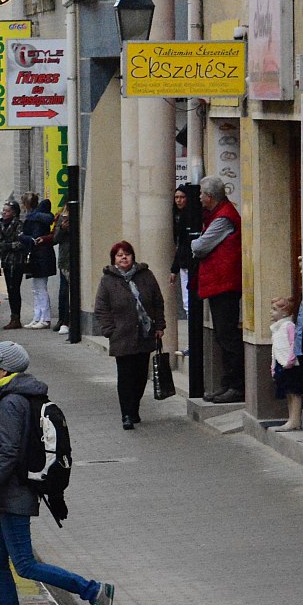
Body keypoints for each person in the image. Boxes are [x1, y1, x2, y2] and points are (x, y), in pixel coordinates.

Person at [0, 341, 114, 605]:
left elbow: (8, 453)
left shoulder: (10, 402)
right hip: (8, 494)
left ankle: (94, 591)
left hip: (14, 494)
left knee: (24, 565)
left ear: (5, 369)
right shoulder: (16, 395)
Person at [92, 240, 166, 430]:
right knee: (125, 376)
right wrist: (109, 330)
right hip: (122, 336)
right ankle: (126, 413)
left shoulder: (146, 275)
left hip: (144, 333)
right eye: (119, 255)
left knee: (141, 375)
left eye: (127, 254)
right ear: (114, 260)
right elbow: (101, 308)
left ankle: (134, 408)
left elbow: (157, 301)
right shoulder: (108, 280)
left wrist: (159, 325)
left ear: (133, 256)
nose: (123, 257)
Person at [190, 175, 244, 403]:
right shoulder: (217, 215)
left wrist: (193, 242)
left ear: (210, 197)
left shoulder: (223, 218)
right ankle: (228, 384)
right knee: (223, 336)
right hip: (219, 283)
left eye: (201, 193)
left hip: (225, 284)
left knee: (228, 335)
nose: (199, 197)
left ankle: (237, 386)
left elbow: (200, 246)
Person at [269, 296, 303, 432]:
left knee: (294, 392)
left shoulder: (288, 326)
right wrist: (273, 365)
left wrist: (291, 359)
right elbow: (275, 348)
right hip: (281, 362)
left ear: (284, 313)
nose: (271, 312)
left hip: (291, 364)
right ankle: (291, 418)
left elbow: (293, 343)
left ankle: (295, 419)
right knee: (287, 392)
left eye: (274, 309)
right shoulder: (276, 328)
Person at [22, 199, 57, 328]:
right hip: (41, 256)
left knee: (39, 289)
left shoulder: (34, 220)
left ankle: (44, 317)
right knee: (38, 288)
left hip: (40, 256)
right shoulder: (42, 220)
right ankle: (38, 317)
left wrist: (24, 237)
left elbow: (32, 236)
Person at [0, 201, 26, 330]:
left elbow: (20, 243)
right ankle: (13, 316)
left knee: (14, 289)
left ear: (14, 212)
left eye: (7, 210)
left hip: (16, 261)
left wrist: (6, 246)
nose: (4, 212)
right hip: (6, 261)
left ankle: (16, 318)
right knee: (9, 289)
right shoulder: (0, 225)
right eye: (3, 210)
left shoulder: (18, 225)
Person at [169, 186, 193, 320]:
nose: (179, 201)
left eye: (182, 197)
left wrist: (174, 269)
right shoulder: (177, 216)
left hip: (189, 261)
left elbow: (183, 243)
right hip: (183, 262)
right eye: (176, 197)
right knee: (186, 302)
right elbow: (180, 245)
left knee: (189, 301)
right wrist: (174, 269)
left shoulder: (189, 216)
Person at [52, 209, 73, 333]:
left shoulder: (77, 215)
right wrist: (62, 228)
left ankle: (67, 320)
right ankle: (62, 319)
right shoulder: (62, 216)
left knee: (69, 290)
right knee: (63, 290)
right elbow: (56, 238)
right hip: (64, 258)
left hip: (73, 257)